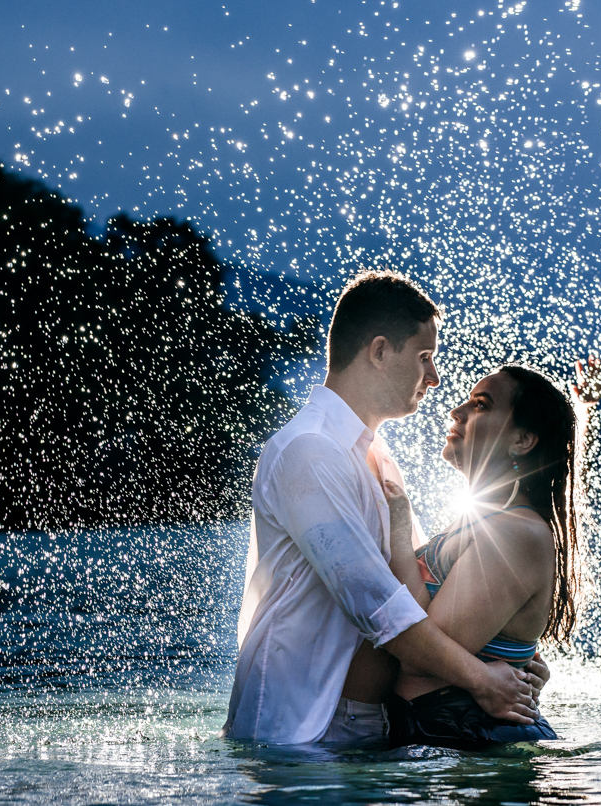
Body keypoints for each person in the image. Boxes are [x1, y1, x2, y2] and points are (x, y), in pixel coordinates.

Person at [221, 270, 546, 746]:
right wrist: (482, 679)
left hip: (367, 729)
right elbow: (379, 606)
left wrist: (513, 656)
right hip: (298, 729)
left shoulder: (374, 454)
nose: (434, 378)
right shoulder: (309, 451)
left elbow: (421, 586)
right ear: (378, 352)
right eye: (424, 358)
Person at [383, 360, 601, 748]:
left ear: (522, 441)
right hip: (450, 737)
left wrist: (399, 536)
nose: (457, 411)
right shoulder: (484, 522)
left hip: (469, 740)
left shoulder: (514, 533)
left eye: (481, 404)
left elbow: (419, 656)